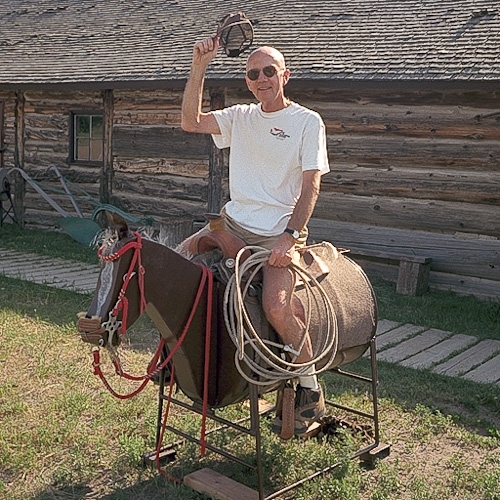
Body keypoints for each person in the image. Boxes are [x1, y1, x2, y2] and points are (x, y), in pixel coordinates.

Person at [181, 35, 330, 436]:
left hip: (276, 233)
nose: (261, 78)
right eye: (253, 73)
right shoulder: (241, 116)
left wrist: (289, 236)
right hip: (232, 223)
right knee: (178, 264)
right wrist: (200, 64)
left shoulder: (306, 121)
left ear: (285, 75)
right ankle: (174, 361)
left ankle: (310, 386)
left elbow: (311, 185)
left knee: (277, 308)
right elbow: (190, 122)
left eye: (269, 71)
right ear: (247, 81)